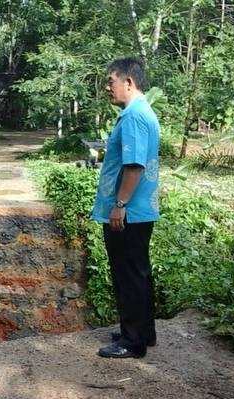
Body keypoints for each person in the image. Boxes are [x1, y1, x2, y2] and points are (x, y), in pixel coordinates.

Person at [91, 57, 160, 359]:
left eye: (111, 81)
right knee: (138, 272)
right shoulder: (143, 112)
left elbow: (134, 166)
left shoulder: (133, 116)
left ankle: (132, 342)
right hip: (139, 209)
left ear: (128, 83)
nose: (108, 87)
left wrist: (119, 205)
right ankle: (142, 330)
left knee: (128, 274)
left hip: (128, 212)